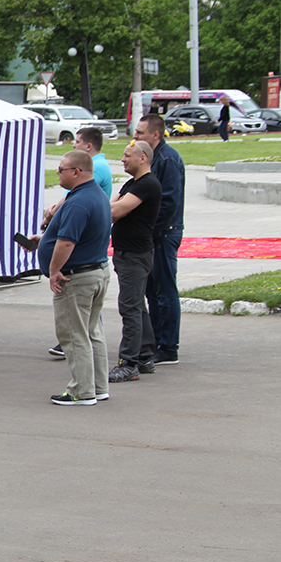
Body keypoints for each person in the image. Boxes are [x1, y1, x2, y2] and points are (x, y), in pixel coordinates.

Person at [39, 150, 112, 405]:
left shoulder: (79, 201)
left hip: (77, 277)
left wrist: (54, 271)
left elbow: (67, 242)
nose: (58, 173)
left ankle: (82, 390)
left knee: (73, 334)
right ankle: (98, 386)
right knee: (91, 332)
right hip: (95, 271)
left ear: (76, 172)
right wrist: (44, 241)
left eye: (62, 169)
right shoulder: (96, 194)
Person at [108, 141, 162, 383]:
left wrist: (115, 207)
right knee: (137, 305)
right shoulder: (132, 184)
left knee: (129, 307)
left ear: (143, 158)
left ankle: (128, 363)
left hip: (135, 255)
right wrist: (115, 206)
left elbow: (115, 211)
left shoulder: (147, 184)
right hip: (128, 253)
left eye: (127, 155)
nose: (123, 159)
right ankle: (145, 356)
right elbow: (114, 205)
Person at [135, 114, 185, 365]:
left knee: (165, 291)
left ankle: (168, 347)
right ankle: (155, 342)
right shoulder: (153, 158)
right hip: (154, 233)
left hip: (164, 233)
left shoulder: (167, 159)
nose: (135, 137)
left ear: (155, 134)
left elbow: (168, 202)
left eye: (140, 133)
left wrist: (149, 230)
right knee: (153, 291)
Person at [75, 128, 112, 200]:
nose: (74, 145)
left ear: (88, 146)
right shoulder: (95, 163)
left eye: (77, 142)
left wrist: (57, 207)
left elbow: (76, 193)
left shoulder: (96, 166)